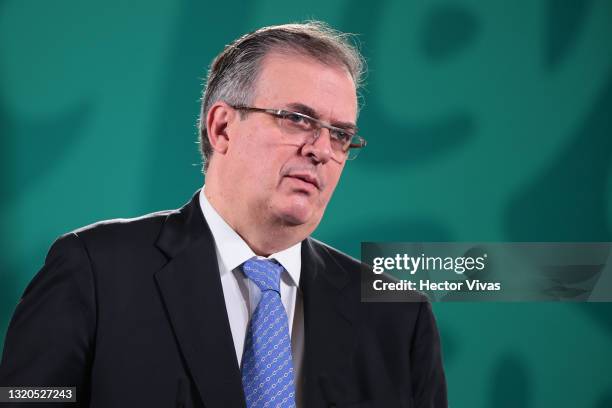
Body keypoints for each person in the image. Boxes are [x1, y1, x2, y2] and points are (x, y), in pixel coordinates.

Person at [0, 21, 447, 407]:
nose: (321, 150)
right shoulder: (95, 270)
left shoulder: (397, 316)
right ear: (222, 127)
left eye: (340, 135)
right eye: (296, 119)